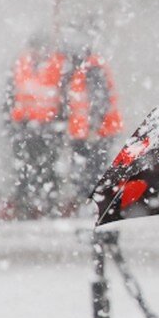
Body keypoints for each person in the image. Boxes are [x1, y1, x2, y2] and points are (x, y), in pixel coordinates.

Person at [3, 34, 65, 219]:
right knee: (23, 170)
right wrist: (11, 123)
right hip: (24, 127)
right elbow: (10, 96)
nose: (38, 53)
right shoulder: (21, 66)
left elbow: (64, 98)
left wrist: (59, 124)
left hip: (48, 128)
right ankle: (24, 207)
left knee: (48, 169)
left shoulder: (56, 66)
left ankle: (49, 207)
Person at [62, 39, 123, 210]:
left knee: (92, 172)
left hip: (96, 134)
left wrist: (93, 128)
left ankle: (94, 207)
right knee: (86, 173)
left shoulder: (92, 69)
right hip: (85, 133)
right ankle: (90, 206)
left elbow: (100, 101)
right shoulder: (81, 70)